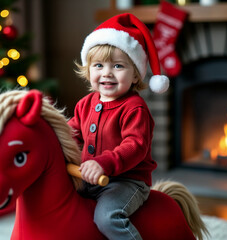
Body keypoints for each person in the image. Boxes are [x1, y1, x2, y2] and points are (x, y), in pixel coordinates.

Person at [68, 13, 169, 240]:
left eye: (118, 65)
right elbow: (72, 133)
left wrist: (103, 163)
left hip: (126, 181)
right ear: (88, 69)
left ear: (135, 75)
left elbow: (135, 145)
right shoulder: (85, 104)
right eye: (99, 65)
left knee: (107, 217)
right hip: (88, 177)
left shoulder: (135, 108)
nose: (107, 72)